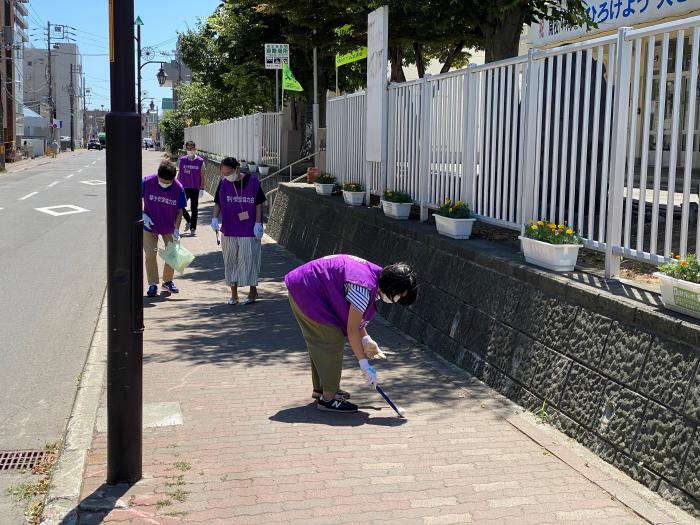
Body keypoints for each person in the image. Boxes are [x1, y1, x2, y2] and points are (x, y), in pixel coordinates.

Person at [285, 255, 417, 413]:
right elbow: (352, 328)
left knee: (321, 342)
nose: (397, 300)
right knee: (330, 341)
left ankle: (322, 388)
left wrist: (366, 339)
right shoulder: (363, 288)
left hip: (306, 285)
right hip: (306, 291)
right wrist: (364, 365)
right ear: (392, 287)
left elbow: (354, 317)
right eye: (399, 296)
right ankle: (328, 399)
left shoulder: (377, 277)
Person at [211, 157, 266, 305]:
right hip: (229, 228)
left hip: (249, 229)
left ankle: (253, 290)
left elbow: (259, 203)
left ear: (237, 169)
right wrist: (214, 218)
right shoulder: (223, 183)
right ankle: (234, 295)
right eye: (223, 173)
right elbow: (217, 202)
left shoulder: (253, 182)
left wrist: (258, 223)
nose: (226, 176)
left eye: (228, 172)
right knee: (230, 261)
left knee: (249, 259)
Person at [142, 159, 187, 297]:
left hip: (169, 226)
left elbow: (180, 210)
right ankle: (152, 284)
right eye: (162, 181)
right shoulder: (146, 182)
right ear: (157, 175)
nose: (165, 184)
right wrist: (143, 214)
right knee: (150, 254)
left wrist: (176, 229)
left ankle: (167, 282)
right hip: (149, 225)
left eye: (168, 182)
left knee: (173, 255)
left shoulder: (178, 188)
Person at [178, 141, 205, 236]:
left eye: (191, 148)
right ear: (186, 149)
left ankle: (193, 227)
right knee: (180, 206)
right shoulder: (182, 160)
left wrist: (202, 188)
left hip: (195, 188)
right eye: (188, 148)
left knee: (194, 208)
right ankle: (188, 219)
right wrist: (176, 185)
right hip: (184, 187)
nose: (190, 150)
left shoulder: (200, 161)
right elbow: (179, 173)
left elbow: (202, 175)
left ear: (195, 149)